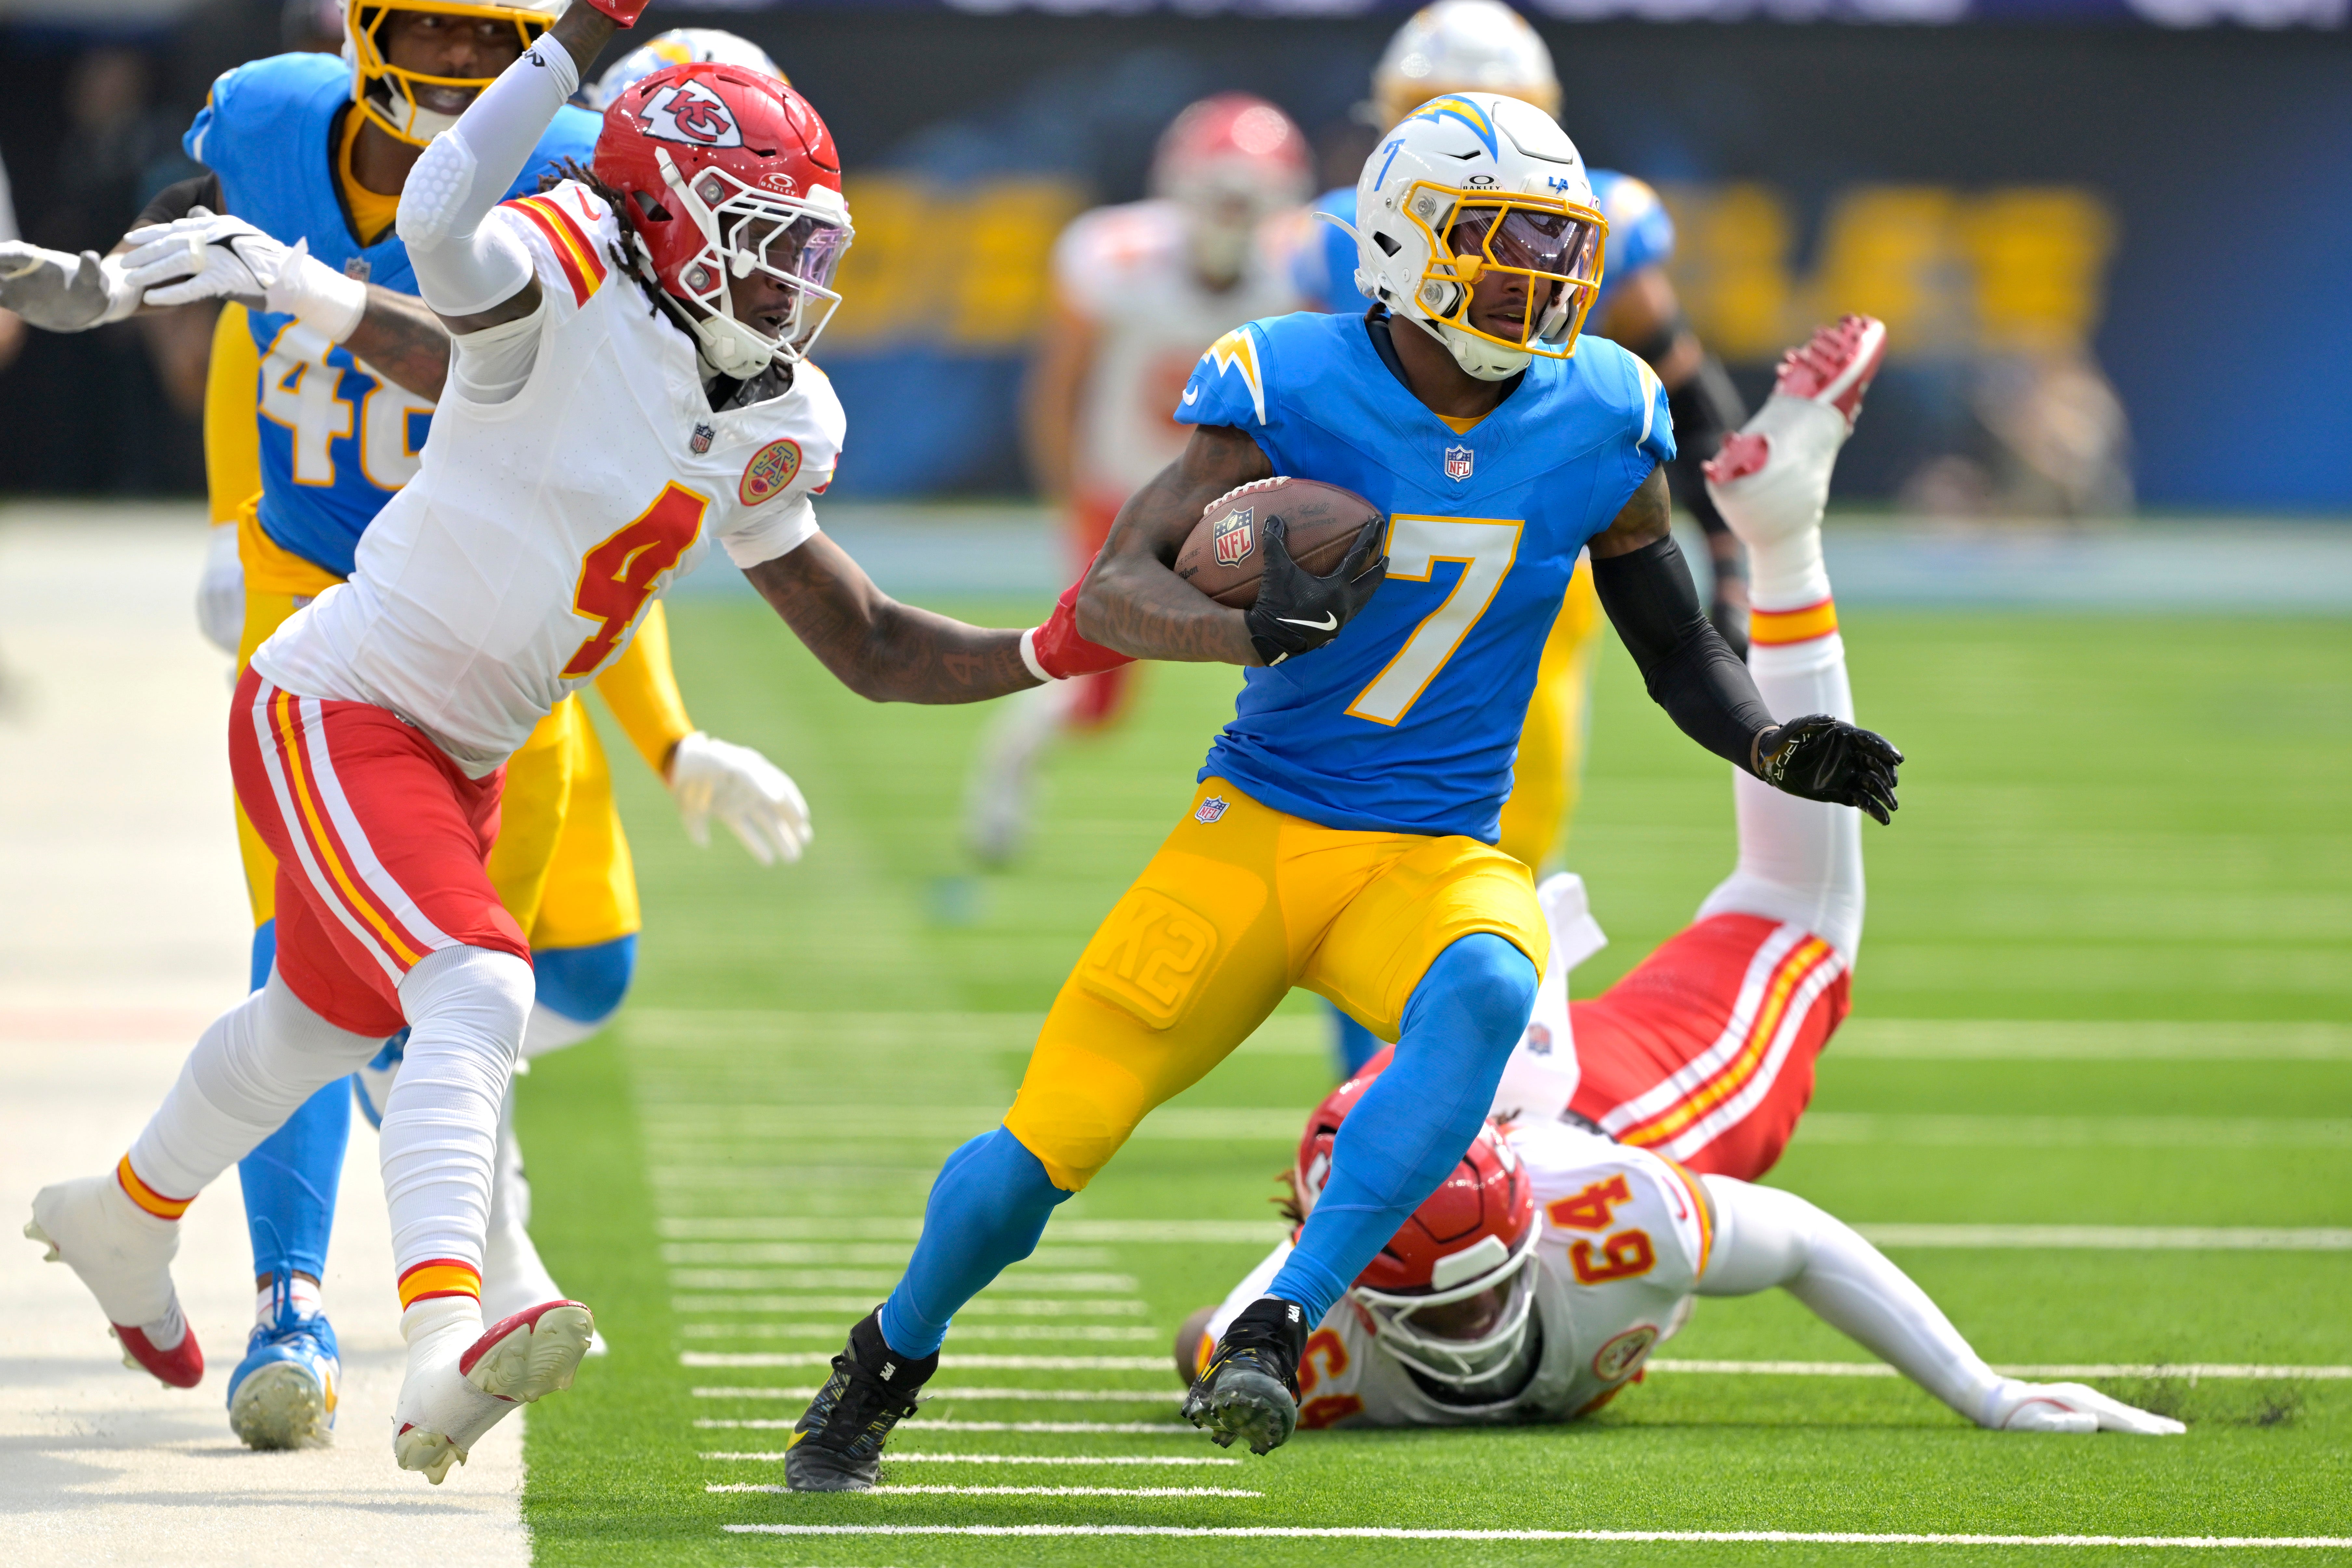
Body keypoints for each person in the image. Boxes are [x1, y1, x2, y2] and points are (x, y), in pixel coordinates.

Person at [26, 0, 1088, 1483]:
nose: (792, 272)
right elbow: (449, 245)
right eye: (757, 233)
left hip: (469, 749)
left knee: (318, 1024)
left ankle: (125, 1209)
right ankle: (449, 1331)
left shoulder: (768, 398)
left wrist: (1063, 642)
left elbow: (867, 641)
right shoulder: (563, 265)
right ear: (662, 214)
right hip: (341, 701)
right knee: (472, 980)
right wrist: (562, 44)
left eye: (803, 238)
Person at [781, 91, 1902, 1490]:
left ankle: (1281, 1316)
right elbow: (1122, 587)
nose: (1543, 279)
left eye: (1560, 249)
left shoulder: (1605, 410)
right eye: (1504, 243)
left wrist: (1769, 743)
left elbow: (1673, 641)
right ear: (1405, 241)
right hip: (1254, 831)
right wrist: (1244, 627)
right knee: (1040, 1153)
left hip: (1431, 849)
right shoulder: (1288, 379)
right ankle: (886, 1357)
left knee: (1495, 983)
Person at [1172, 323, 2160, 1443]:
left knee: (1802, 925)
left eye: (1480, 1291)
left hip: (1612, 1114)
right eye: (1454, 1309)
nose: (1475, 1326)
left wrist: (1986, 1393)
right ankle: (1781, 528)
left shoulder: (1613, 1217)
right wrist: (1232, 1339)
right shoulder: (1326, 1343)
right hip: (1500, 1097)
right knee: (1780, 918)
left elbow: (1792, 1237)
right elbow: (1207, 1337)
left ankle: (1781, 539)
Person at [963, 93, 1311, 865]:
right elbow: (1058, 391)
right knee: (1096, 693)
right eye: (1219, 194)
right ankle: (1009, 763)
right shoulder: (1117, 261)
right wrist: (1071, 503)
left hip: (1237, 509)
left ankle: (1302, 825)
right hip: (1121, 498)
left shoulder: (1299, 271)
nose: (1231, 215)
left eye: (1248, 199)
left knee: (1311, 647)